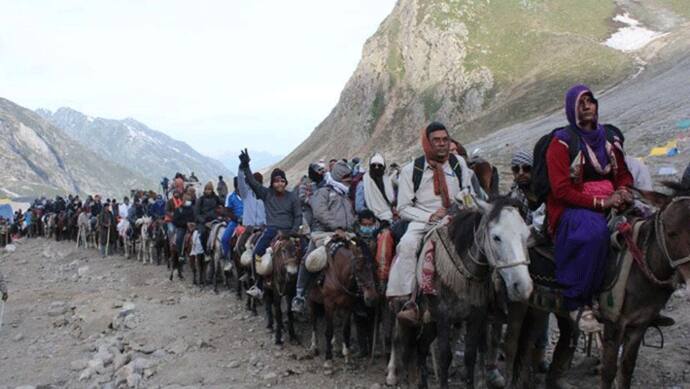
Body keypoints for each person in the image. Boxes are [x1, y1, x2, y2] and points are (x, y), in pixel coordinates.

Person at [546, 85, 633, 331]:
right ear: (571, 109)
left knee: (645, 226)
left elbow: (624, 175)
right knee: (594, 233)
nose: (586, 106)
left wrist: (623, 191)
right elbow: (561, 190)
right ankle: (579, 301)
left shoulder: (610, 138)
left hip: (613, 199)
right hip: (572, 206)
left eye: (590, 101)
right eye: (580, 102)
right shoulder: (561, 143)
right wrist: (600, 203)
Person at [387, 122, 481, 326]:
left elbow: (469, 193)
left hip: (457, 217)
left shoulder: (458, 164)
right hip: (423, 220)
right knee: (407, 245)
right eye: (436, 140)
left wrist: (462, 206)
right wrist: (429, 216)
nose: (442, 144)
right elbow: (403, 207)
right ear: (427, 143)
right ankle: (409, 300)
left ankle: (488, 295)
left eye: (445, 140)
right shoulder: (411, 170)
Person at [291, 160, 356, 313]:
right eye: (347, 178)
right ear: (339, 177)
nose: (350, 181)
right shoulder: (323, 192)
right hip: (323, 233)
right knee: (308, 259)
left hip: (345, 233)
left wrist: (353, 225)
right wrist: (337, 227)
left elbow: (351, 216)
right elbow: (320, 213)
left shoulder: (345, 196)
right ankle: (299, 296)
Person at [239, 149, 302, 299]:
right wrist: (246, 166)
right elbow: (253, 183)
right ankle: (259, 285)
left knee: (305, 254)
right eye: (276, 181)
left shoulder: (292, 197)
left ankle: (302, 291)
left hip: (290, 232)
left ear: (285, 182)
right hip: (272, 230)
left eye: (282, 181)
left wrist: (292, 232)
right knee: (257, 252)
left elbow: (298, 215)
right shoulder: (266, 194)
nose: (280, 183)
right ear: (272, 183)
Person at [355, 153, 397, 224]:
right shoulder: (363, 184)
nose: (376, 168)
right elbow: (359, 207)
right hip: (373, 222)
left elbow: (393, 200)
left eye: (379, 165)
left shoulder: (388, 181)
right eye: (374, 165)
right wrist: (371, 216)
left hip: (390, 218)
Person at [220, 177, 244, 262]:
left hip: (249, 222)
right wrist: (237, 219)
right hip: (235, 222)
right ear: (236, 186)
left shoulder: (248, 195)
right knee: (225, 239)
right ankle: (227, 260)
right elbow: (227, 211)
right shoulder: (230, 196)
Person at [172, 193, 196, 279]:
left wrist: (192, 224)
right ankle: (180, 254)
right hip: (182, 228)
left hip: (191, 228)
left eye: (189, 200)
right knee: (179, 238)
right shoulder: (178, 209)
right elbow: (175, 221)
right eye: (187, 200)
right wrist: (185, 224)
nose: (188, 202)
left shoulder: (192, 209)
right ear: (183, 200)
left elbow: (194, 218)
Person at [195, 182, 223, 252]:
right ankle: (206, 252)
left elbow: (223, 204)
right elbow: (197, 214)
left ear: (212, 190)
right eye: (207, 189)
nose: (208, 191)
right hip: (204, 222)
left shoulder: (216, 198)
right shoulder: (201, 199)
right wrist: (204, 222)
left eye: (210, 189)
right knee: (203, 234)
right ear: (204, 190)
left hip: (214, 220)